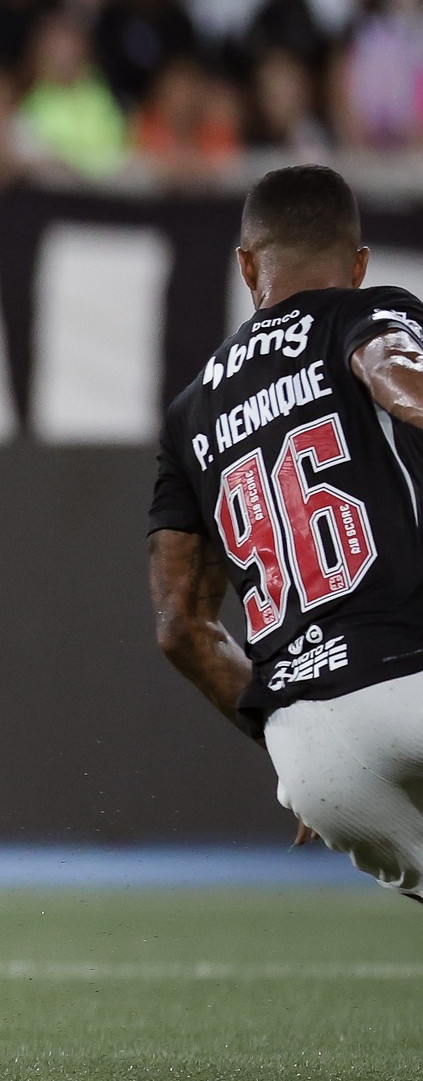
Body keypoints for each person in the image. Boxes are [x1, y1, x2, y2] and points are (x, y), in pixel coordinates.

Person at [149, 163, 423, 904]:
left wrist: (294, 741)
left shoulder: (186, 415)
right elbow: (393, 368)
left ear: (246, 264)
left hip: (312, 752)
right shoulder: (361, 314)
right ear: (358, 263)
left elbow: (180, 626)